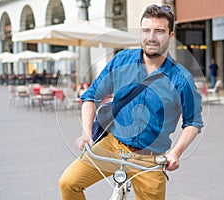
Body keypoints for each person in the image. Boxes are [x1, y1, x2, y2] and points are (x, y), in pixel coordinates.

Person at [59, 4, 203, 200]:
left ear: (170, 36)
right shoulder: (122, 60)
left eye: (159, 31)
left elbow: (193, 122)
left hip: (150, 157)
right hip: (112, 146)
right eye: (146, 30)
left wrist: (175, 153)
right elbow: (90, 97)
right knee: (68, 183)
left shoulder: (181, 78)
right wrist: (86, 134)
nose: (151, 37)